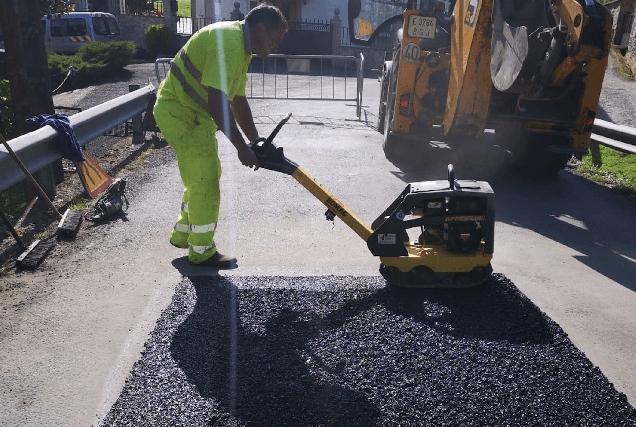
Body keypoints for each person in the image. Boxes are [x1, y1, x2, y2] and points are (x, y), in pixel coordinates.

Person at [153, 4, 288, 268]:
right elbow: (218, 103)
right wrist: (241, 148)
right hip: (180, 113)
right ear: (259, 29)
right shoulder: (229, 43)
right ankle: (201, 252)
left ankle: (183, 235)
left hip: (191, 115)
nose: (275, 46)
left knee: (204, 174)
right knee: (205, 182)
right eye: (275, 38)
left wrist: (256, 142)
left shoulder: (240, 47)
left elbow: (237, 101)